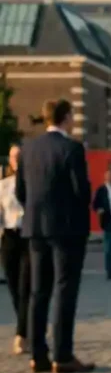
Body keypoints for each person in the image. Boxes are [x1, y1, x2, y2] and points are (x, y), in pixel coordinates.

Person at [16, 99, 93, 373]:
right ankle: (62, 354)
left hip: (35, 229)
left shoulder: (28, 148)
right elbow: (81, 191)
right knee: (64, 289)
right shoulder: (72, 148)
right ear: (66, 118)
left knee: (39, 291)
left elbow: (20, 192)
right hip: (67, 230)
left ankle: (38, 354)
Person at [0, 144, 30, 355]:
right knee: (13, 286)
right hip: (9, 237)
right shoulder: (3, 186)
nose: (16, 159)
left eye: (20, 156)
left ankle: (21, 334)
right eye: (13, 157)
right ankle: (27, 325)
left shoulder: (32, 184)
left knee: (25, 286)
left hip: (27, 237)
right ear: (9, 161)